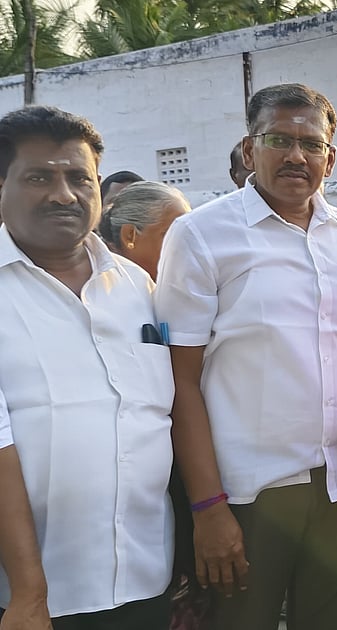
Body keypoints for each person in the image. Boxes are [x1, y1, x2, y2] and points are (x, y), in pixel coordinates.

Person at [156, 83, 337, 630]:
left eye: (311, 143)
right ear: (249, 148)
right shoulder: (202, 235)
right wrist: (207, 507)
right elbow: (180, 381)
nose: (296, 156)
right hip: (248, 495)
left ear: (331, 157)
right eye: (279, 139)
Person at [0, 106, 174, 628]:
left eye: (79, 178)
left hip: (147, 575)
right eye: (39, 177)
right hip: (34, 597)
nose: (64, 195)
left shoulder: (139, 287)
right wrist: (28, 591)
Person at [96, 180, 190, 280]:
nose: (188, 247)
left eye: (189, 236)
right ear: (130, 235)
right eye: (172, 235)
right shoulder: (103, 286)